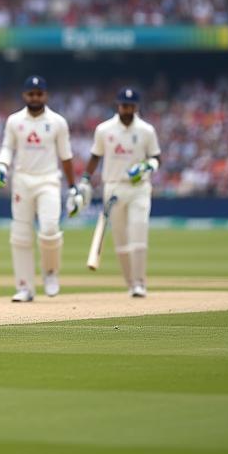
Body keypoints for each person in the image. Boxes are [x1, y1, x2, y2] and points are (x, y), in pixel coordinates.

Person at [0, 75, 80, 302]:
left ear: (46, 95)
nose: (35, 97)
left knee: (49, 229)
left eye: (39, 93)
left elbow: (66, 157)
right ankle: (25, 287)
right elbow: (7, 148)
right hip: (22, 181)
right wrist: (1, 166)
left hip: (49, 180)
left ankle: (50, 273)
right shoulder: (14, 121)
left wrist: (72, 188)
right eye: (31, 93)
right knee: (20, 236)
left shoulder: (58, 122)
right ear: (24, 95)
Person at [78, 87, 162, 297]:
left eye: (131, 106)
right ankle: (130, 283)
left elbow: (156, 158)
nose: (127, 109)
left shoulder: (146, 130)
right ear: (118, 105)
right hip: (113, 187)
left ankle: (140, 283)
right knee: (121, 242)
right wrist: (86, 180)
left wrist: (146, 167)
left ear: (137, 106)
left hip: (139, 188)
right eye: (124, 105)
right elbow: (95, 156)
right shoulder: (104, 130)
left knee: (139, 232)